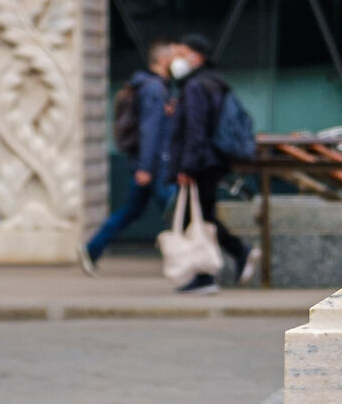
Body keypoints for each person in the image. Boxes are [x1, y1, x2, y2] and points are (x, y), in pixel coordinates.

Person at [79, 37, 181, 273]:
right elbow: (149, 129)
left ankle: (92, 249)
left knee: (132, 211)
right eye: (175, 58)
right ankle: (190, 261)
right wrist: (145, 167)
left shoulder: (152, 86)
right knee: (176, 211)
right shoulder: (155, 89)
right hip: (155, 165)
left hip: (149, 164)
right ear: (164, 60)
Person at [163, 34, 256, 294]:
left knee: (198, 219)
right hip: (212, 160)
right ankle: (230, 259)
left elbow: (196, 129)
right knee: (203, 216)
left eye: (180, 52)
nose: (175, 59)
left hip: (202, 162)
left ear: (196, 55)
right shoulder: (213, 82)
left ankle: (208, 273)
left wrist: (188, 167)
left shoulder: (195, 86)